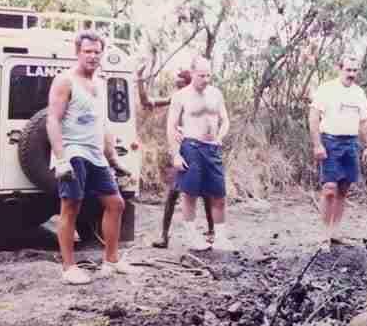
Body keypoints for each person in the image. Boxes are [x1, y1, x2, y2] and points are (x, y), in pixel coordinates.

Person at [47, 29, 138, 285]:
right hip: (72, 150)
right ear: (77, 52)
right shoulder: (65, 81)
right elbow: (52, 119)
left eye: (97, 52)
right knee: (71, 207)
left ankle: (111, 261)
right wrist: (61, 158)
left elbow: (103, 125)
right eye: (87, 51)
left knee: (116, 203)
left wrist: (114, 160)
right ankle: (69, 268)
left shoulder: (100, 83)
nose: (93, 56)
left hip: (96, 154)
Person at [136, 64, 215, 248]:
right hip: (181, 151)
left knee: (205, 192)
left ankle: (212, 231)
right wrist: (139, 78)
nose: (177, 88)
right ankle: (164, 237)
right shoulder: (176, 99)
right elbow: (146, 102)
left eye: (181, 84)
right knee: (173, 193)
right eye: (176, 85)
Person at [166, 55, 235, 251]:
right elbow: (171, 126)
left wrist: (220, 136)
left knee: (219, 194)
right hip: (191, 147)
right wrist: (176, 155)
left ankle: (220, 237)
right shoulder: (181, 96)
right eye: (202, 75)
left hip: (212, 148)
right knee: (190, 194)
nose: (206, 79)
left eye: (208, 75)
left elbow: (225, 119)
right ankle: (192, 236)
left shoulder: (216, 93)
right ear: (192, 73)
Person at [308, 55, 367, 245]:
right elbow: (313, 117)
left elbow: (364, 121)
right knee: (329, 189)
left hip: (351, 144)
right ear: (340, 68)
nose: (352, 74)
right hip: (330, 142)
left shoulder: (359, 93)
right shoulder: (327, 89)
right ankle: (323, 235)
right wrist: (317, 144)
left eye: (355, 70)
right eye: (348, 70)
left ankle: (334, 232)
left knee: (344, 189)